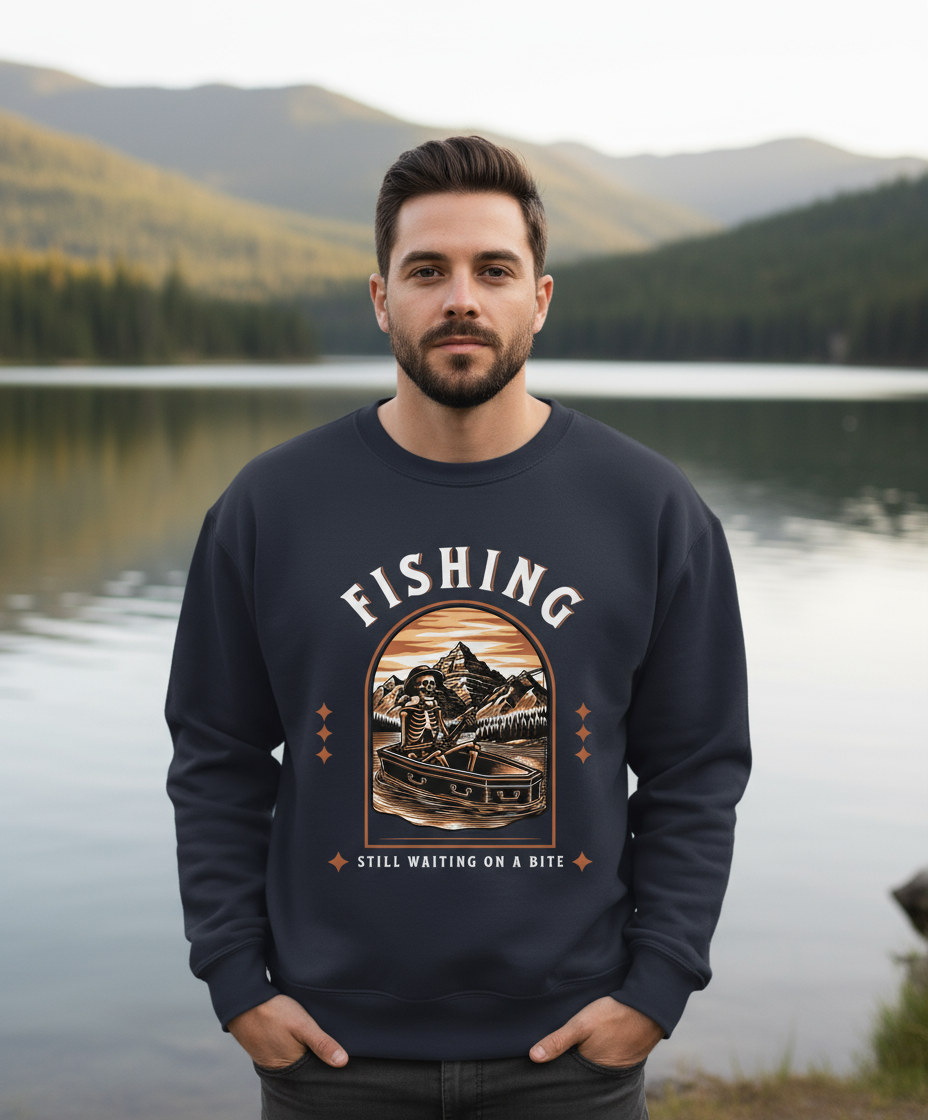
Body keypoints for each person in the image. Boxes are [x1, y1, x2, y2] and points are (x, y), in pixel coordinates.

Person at [166, 136, 751, 1119]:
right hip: (330, 1062)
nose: (460, 299)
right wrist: (238, 983)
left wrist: (654, 989)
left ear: (541, 298)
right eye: (426, 270)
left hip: (571, 1061)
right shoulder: (271, 507)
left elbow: (695, 770)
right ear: (380, 298)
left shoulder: (649, 508)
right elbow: (217, 758)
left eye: (493, 269)